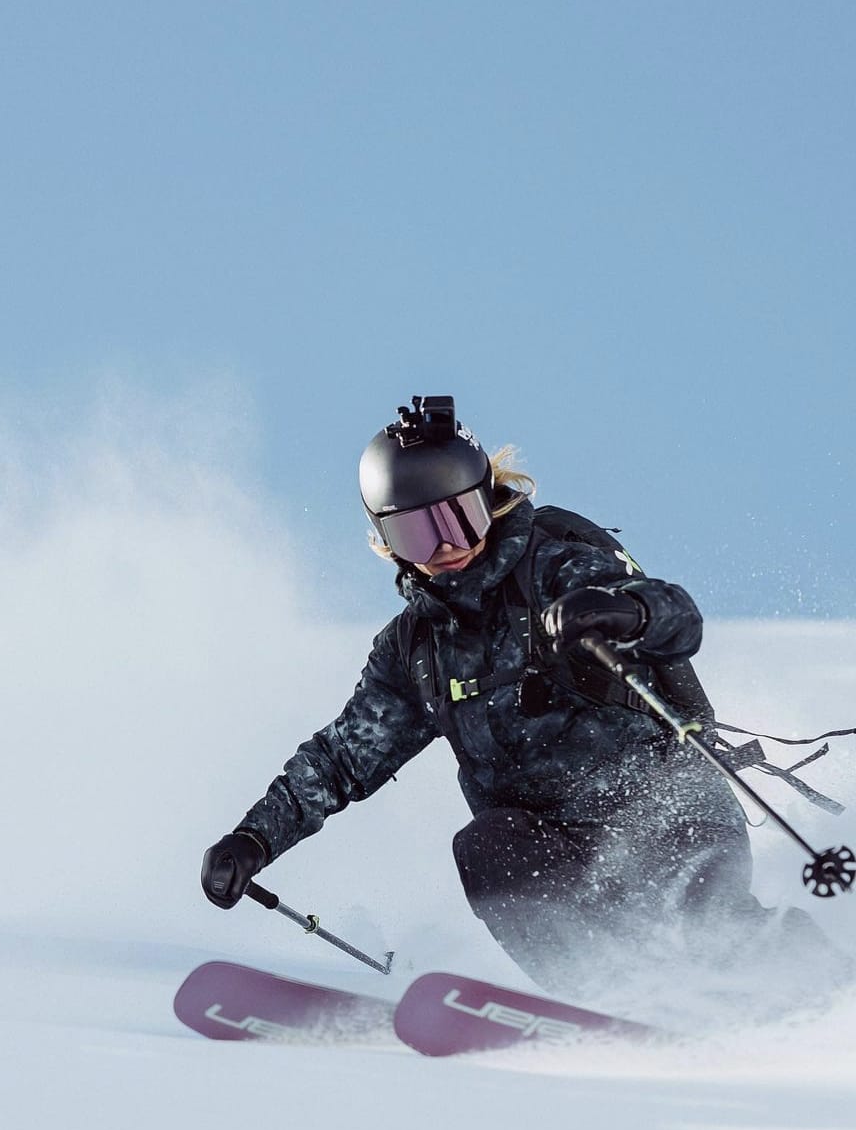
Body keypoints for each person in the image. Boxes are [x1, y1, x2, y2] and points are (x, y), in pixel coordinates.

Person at [201, 396, 849, 1014]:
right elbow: (340, 761)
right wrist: (254, 839)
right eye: (417, 533)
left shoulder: (552, 563)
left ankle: (824, 1000)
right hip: (560, 849)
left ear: (487, 498)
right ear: (388, 544)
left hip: (665, 805)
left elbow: (678, 620)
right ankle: (618, 1003)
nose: (446, 546)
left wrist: (621, 609)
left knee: (708, 924)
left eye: (459, 519)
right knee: (485, 849)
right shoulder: (418, 651)